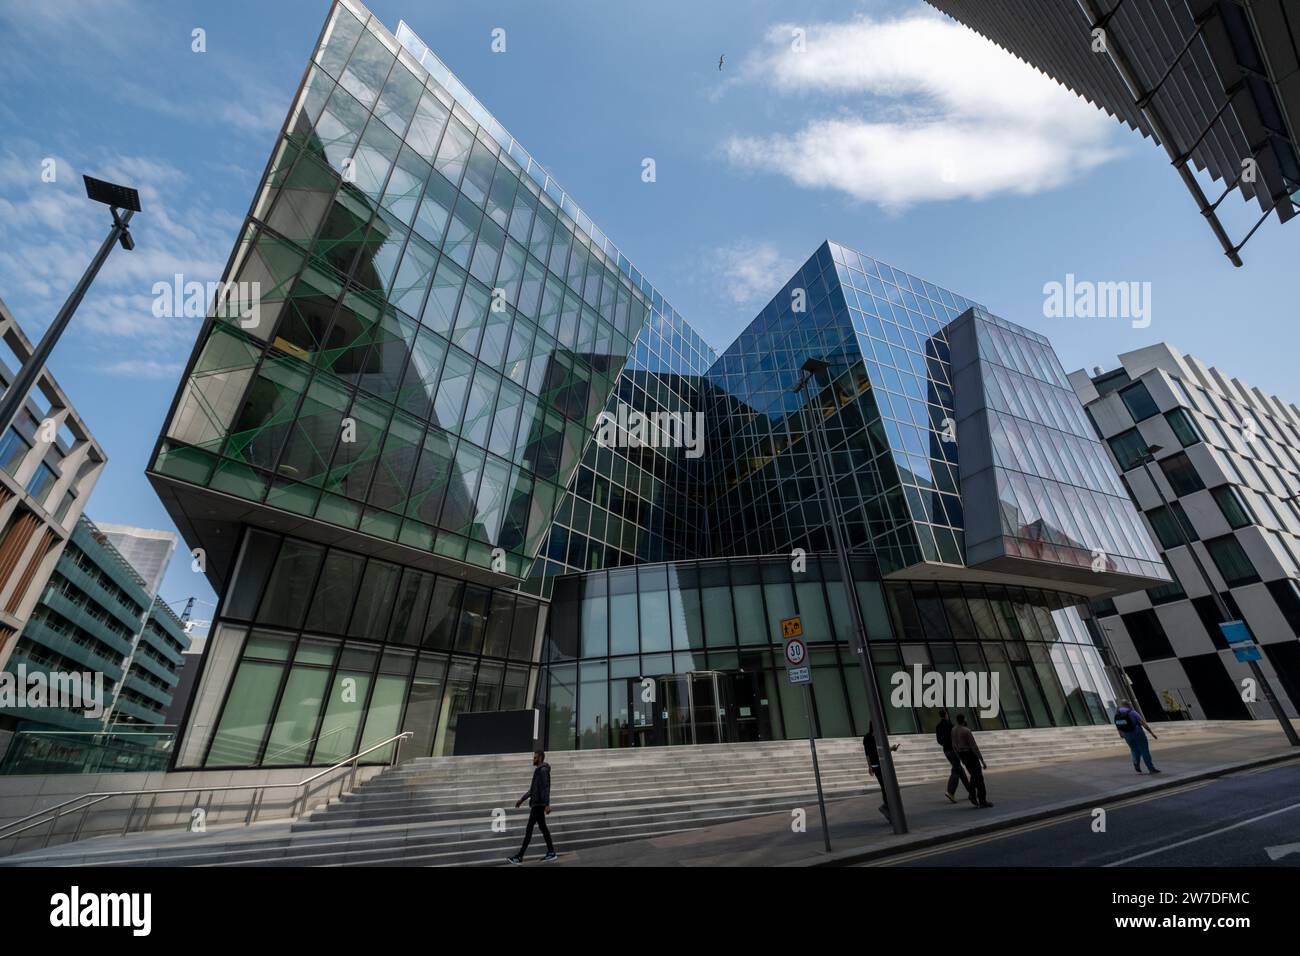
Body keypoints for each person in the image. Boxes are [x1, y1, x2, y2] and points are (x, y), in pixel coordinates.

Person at [506, 750, 558, 864]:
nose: (533, 759)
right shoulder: (538, 771)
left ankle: (519, 857)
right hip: (536, 804)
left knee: (529, 830)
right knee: (543, 828)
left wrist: (546, 804)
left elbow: (546, 787)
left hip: (538, 805)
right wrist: (522, 799)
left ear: (540, 758)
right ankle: (551, 852)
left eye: (535, 757)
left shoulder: (543, 770)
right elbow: (532, 790)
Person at [951, 714, 992, 808]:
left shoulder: (953, 730)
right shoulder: (966, 730)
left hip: (963, 755)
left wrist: (960, 757)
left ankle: (977, 797)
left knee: (975, 776)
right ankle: (976, 796)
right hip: (970, 754)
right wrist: (982, 760)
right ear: (964, 720)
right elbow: (974, 746)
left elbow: (954, 745)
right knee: (978, 776)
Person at [862, 723, 901, 823]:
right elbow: (867, 753)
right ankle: (887, 806)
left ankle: (887, 806)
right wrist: (870, 766)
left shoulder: (878, 737)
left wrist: (892, 748)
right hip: (877, 766)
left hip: (883, 764)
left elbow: (883, 750)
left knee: (887, 786)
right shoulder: (868, 738)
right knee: (885, 786)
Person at [935, 708, 970, 804]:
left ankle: (971, 791)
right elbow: (955, 737)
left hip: (946, 750)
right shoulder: (950, 725)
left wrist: (944, 744)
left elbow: (939, 740)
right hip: (953, 750)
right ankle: (950, 792)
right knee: (956, 769)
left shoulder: (938, 726)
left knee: (959, 769)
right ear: (946, 714)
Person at [1114, 700, 1160, 773]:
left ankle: (1136, 763)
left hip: (1127, 735)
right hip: (1138, 733)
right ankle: (1151, 768)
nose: (1131, 706)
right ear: (1128, 705)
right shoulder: (1132, 712)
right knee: (1144, 750)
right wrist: (1152, 733)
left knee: (1133, 749)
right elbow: (1143, 724)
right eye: (1130, 705)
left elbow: (1118, 726)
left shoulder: (1117, 714)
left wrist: (1121, 734)